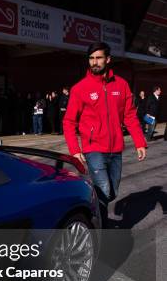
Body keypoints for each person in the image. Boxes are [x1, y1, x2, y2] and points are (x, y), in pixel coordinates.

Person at [63, 42, 147, 225]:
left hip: (115, 148)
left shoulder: (122, 85)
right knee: (103, 189)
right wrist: (74, 149)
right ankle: (99, 229)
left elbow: (130, 116)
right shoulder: (80, 89)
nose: (94, 62)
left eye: (99, 58)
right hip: (93, 148)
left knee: (112, 192)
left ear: (108, 60)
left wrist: (140, 142)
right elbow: (69, 122)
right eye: (91, 58)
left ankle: (92, 210)